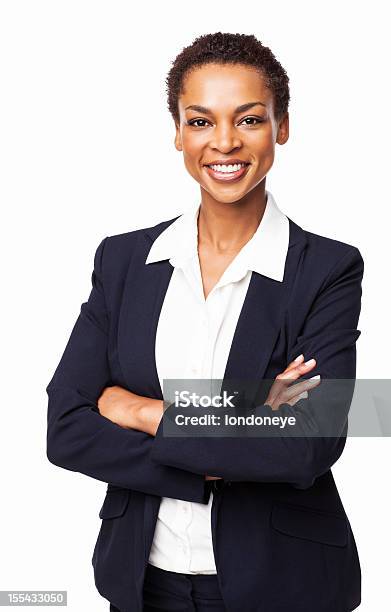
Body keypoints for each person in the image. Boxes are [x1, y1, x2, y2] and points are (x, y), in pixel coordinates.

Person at [46, 32, 364, 612]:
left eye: (248, 120)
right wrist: (242, 430)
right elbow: (66, 428)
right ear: (177, 132)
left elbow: (308, 445)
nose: (224, 143)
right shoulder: (123, 262)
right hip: (142, 584)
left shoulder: (326, 268)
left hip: (283, 586)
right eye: (200, 121)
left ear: (281, 126)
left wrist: (146, 412)